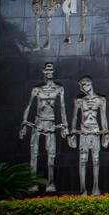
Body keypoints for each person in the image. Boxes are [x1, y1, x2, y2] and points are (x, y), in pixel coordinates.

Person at [19, 62, 69, 192]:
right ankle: (33, 183)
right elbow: (29, 106)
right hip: (38, 122)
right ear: (43, 71)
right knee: (34, 155)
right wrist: (24, 124)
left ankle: (50, 183)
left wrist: (65, 126)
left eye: (51, 69)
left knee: (51, 156)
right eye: (47, 69)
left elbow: (62, 107)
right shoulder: (37, 89)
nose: (49, 71)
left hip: (51, 123)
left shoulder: (59, 89)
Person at [68, 76, 109, 196]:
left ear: (90, 84)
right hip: (84, 132)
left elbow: (103, 117)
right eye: (81, 86)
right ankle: (83, 189)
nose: (82, 88)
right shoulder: (79, 100)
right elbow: (75, 117)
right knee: (82, 160)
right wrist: (72, 134)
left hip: (95, 131)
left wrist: (105, 133)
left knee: (96, 160)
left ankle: (96, 188)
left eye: (84, 85)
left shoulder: (101, 99)